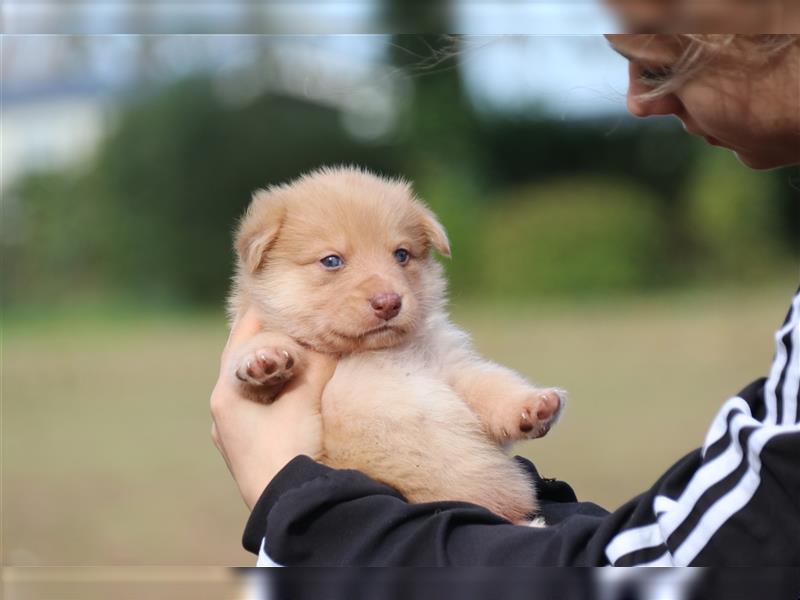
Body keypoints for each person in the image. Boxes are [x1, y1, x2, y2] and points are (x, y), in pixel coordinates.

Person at [210, 32, 800, 566]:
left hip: (438, 535)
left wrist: (296, 501)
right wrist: (258, 366)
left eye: (401, 256)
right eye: (331, 263)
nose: (386, 291)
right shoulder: (282, 343)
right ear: (261, 258)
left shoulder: (425, 342)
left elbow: (467, 380)